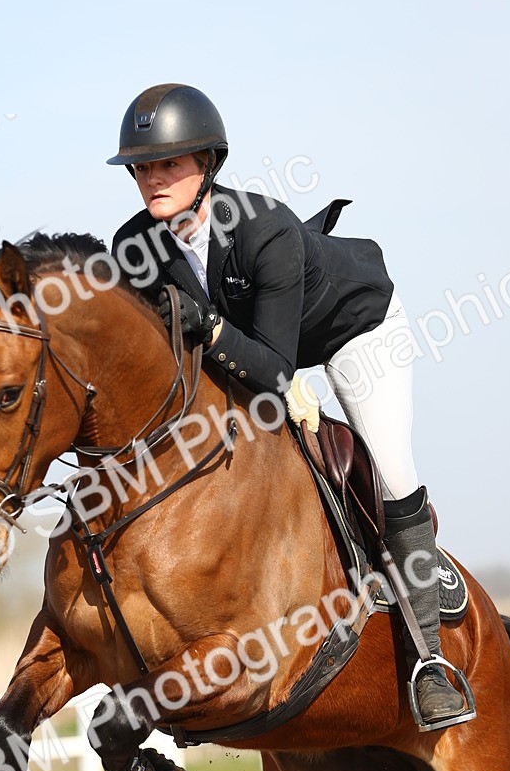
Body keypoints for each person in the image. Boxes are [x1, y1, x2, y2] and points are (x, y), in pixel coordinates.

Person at [107, 82, 473, 731]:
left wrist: (209, 329)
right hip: (255, 350)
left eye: (169, 163)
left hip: (353, 328)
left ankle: (431, 663)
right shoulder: (134, 247)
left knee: (388, 468)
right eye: (142, 167)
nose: (152, 178)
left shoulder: (265, 227)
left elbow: (275, 368)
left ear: (208, 166)